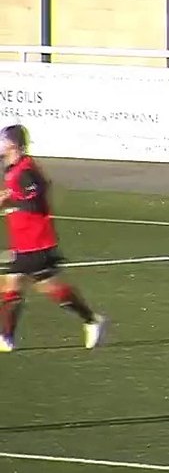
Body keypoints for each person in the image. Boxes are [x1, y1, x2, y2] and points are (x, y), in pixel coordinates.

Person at [0, 125, 106, 352]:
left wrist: (10, 200)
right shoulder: (12, 168)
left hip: (36, 241)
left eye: (3, 140)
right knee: (20, 285)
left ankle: (91, 319)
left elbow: (35, 198)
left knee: (37, 287)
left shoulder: (26, 170)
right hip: (24, 240)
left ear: (13, 144)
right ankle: (6, 337)